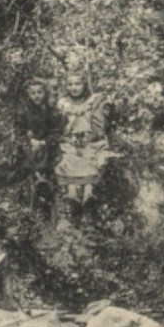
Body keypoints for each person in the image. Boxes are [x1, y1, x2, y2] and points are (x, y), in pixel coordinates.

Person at [55, 67, 111, 218]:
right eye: (70, 84)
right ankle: (72, 194)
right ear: (66, 86)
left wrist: (89, 137)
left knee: (90, 156)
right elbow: (59, 126)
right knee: (68, 157)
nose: (74, 88)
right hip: (70, 139)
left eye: (77, 84)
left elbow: (98, 126)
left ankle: (88, 194)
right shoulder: (63, 104)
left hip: (90, 139)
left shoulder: (92, 102)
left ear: (84, 85)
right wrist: (67, 137)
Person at [15, 78, 64, 214]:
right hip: (30, 148)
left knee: (52, 166)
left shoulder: (50, 111)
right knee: (30, 166)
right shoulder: (23, 112)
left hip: (48, 147)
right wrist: (29, 140)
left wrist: (44, 142)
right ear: (28, 95)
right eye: (33, 93)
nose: (37, 96)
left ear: (44, 93)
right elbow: (19, 132)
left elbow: (56, 131)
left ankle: (51, 203)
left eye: (39, 92)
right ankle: (31, 205)